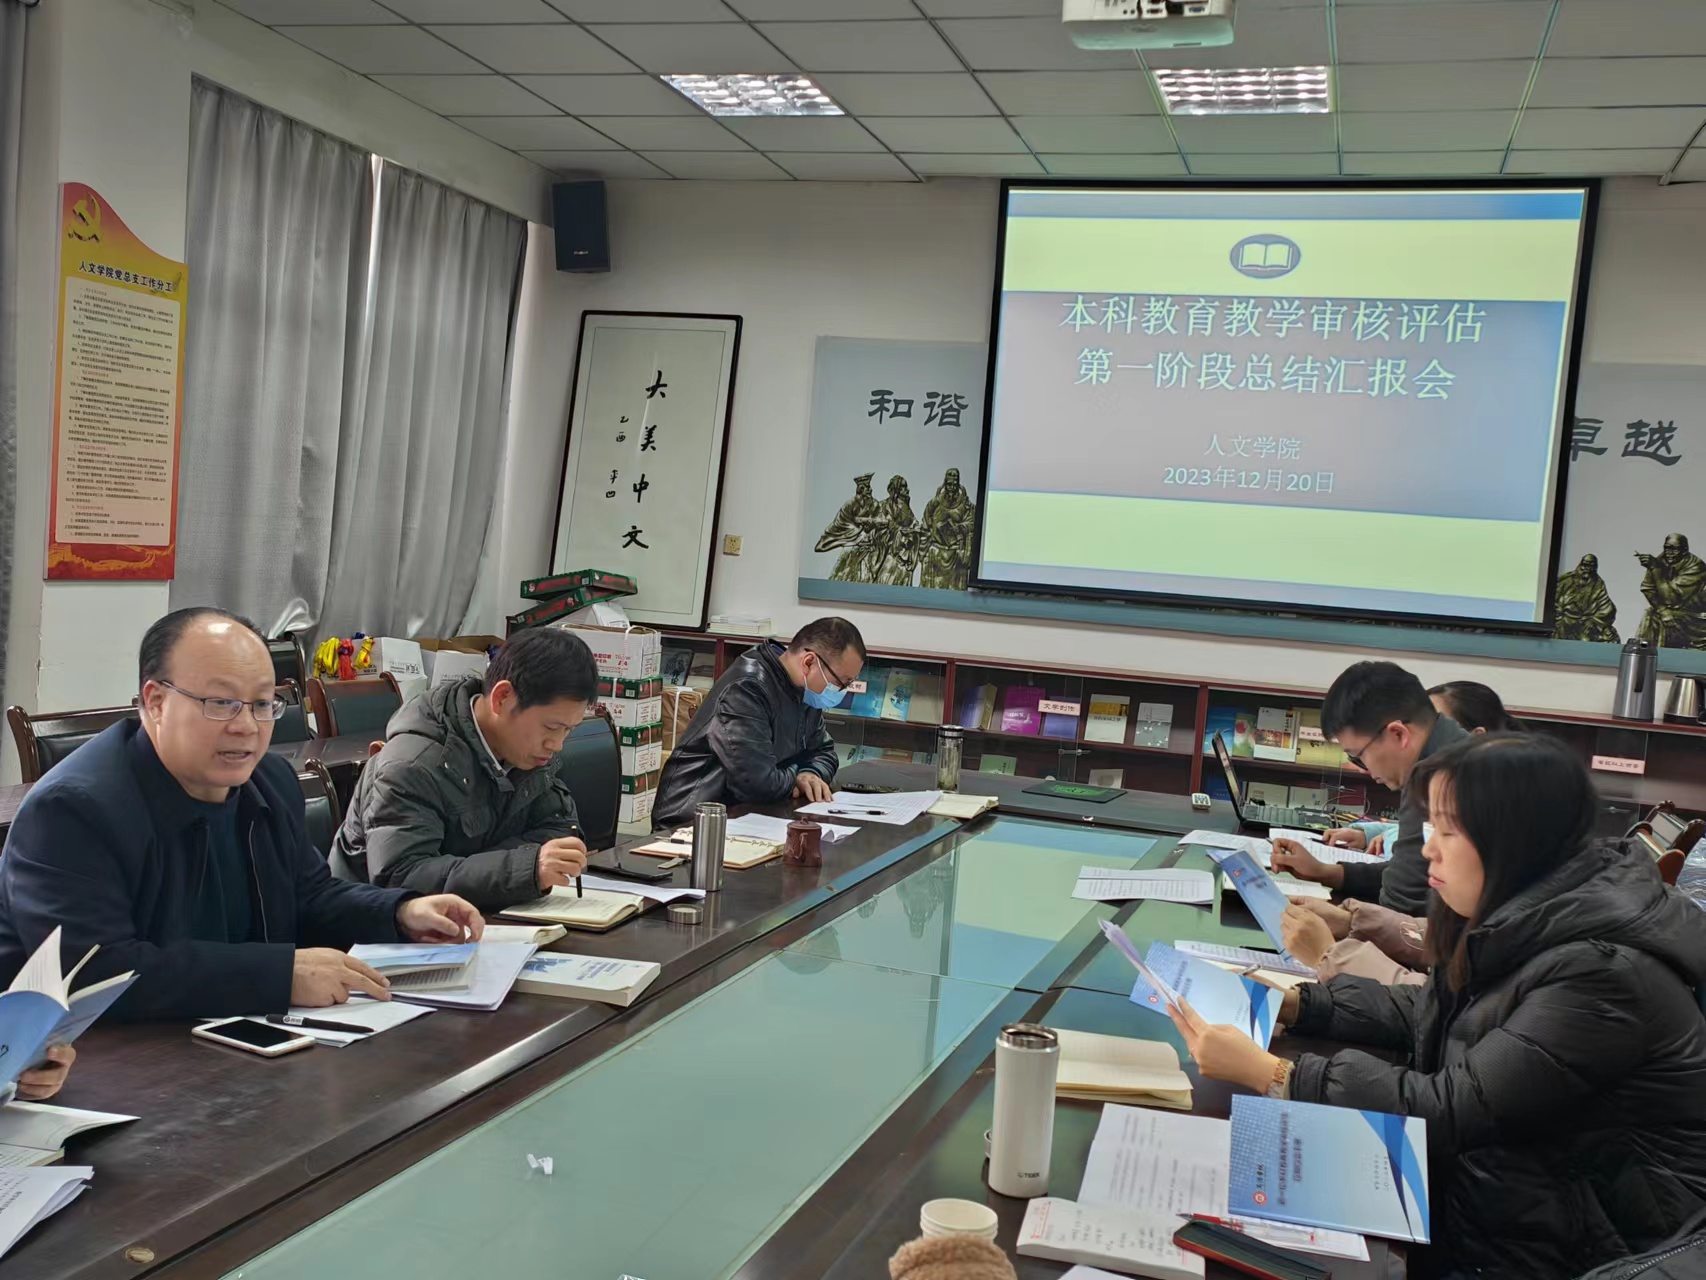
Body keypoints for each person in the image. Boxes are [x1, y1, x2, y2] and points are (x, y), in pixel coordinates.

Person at [1171, 734, 1706, 1279]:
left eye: (1448, 831)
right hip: (1501, 1207)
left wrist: (1276, 1074)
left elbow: (1454, 1107)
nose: (1429, 849)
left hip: (1574, 1249)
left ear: (1515, 839)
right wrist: (1298, 1004)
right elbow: (1429, 1012)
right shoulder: (1531, 917)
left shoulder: (1602, 975)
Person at [0, 609, 483, 1021]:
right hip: (110, 1064)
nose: (247, 726)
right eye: (221, 703)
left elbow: (309, 896)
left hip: (241, 1037)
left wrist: (398, 913)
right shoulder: (73, 811)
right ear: (156, 702)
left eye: (262, 704)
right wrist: (279, 975)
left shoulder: (268, 782)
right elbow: (94, 974)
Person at [330, 628, 597, 914]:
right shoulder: (412, 765)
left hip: (480, 920)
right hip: (372, 930)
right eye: (552, 727)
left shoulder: (525, 754)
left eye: (568, 730)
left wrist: (512, 869)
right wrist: (523, 868)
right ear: (502, 697)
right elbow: (401, 878)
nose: (557, 744)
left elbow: (560, 831)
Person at [1270, 661, 1467, 915]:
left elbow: (1402, 905)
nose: (1364, 770)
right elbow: (1408, 872)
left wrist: (1344, 922)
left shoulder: (1439, 776)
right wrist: (1325, 872)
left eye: (1358, 755)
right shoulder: (1450, 750)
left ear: (1398, 734)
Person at [652, 617, 866, 830]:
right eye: (841, 682)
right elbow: (758, 784)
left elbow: (825, 752)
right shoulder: (747, 688)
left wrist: (811, 773)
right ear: (809, 662)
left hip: (752, 816)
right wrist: (796, 778)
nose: (841, 691)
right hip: (694, 822)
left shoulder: (806, 691)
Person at [1637, 533, 1706, 651]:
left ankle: (1663, 655)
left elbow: (1671, 598)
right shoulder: (1661, 560)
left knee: (1665, 618)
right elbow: (1648, 589)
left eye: (1674, 549)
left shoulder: (1696, 566)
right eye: (1667, 548)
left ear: (1684, 550)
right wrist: (1662, 610)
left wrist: (1655, 569)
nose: (1669, 552)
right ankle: (1643, 653)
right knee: (1650, 613)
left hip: (1695, 617)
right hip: (1672, 611)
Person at [814, 472, 880, 584]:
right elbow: (850, 520)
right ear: (861, 489)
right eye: (867, 488)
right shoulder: (850, 504)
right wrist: (868, 522)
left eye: (870, 487)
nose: (870, 490)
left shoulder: (874, 503)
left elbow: (877, 516)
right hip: (847, 529)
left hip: (865, 532)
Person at [1553, 552, 1620, 642]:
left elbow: (1606, 606)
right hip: (1565, 621)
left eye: (1591, 566)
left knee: (1595, 639)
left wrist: (1593, 620)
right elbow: (1553, 602)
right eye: (1585, 565)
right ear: (1580, 565)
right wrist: (1559, 619)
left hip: (1585, 623)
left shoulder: (1598, 584)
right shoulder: (1566, 580)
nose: (1587, 569)